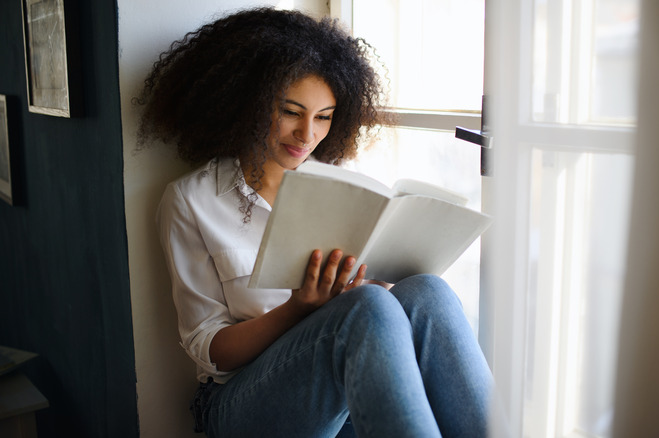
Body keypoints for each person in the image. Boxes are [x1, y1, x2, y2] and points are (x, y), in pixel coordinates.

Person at [137, 7, 492, 437]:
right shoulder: (191, 201)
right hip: (237, 399)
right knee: (367, 309)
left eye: (323, 117)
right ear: (249, 103)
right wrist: (300, 307)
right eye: (291, 111)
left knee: (426, 292)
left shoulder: (343, 191)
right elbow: (209, 350)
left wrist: (371, 284)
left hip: (337, 375)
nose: (307, 134)